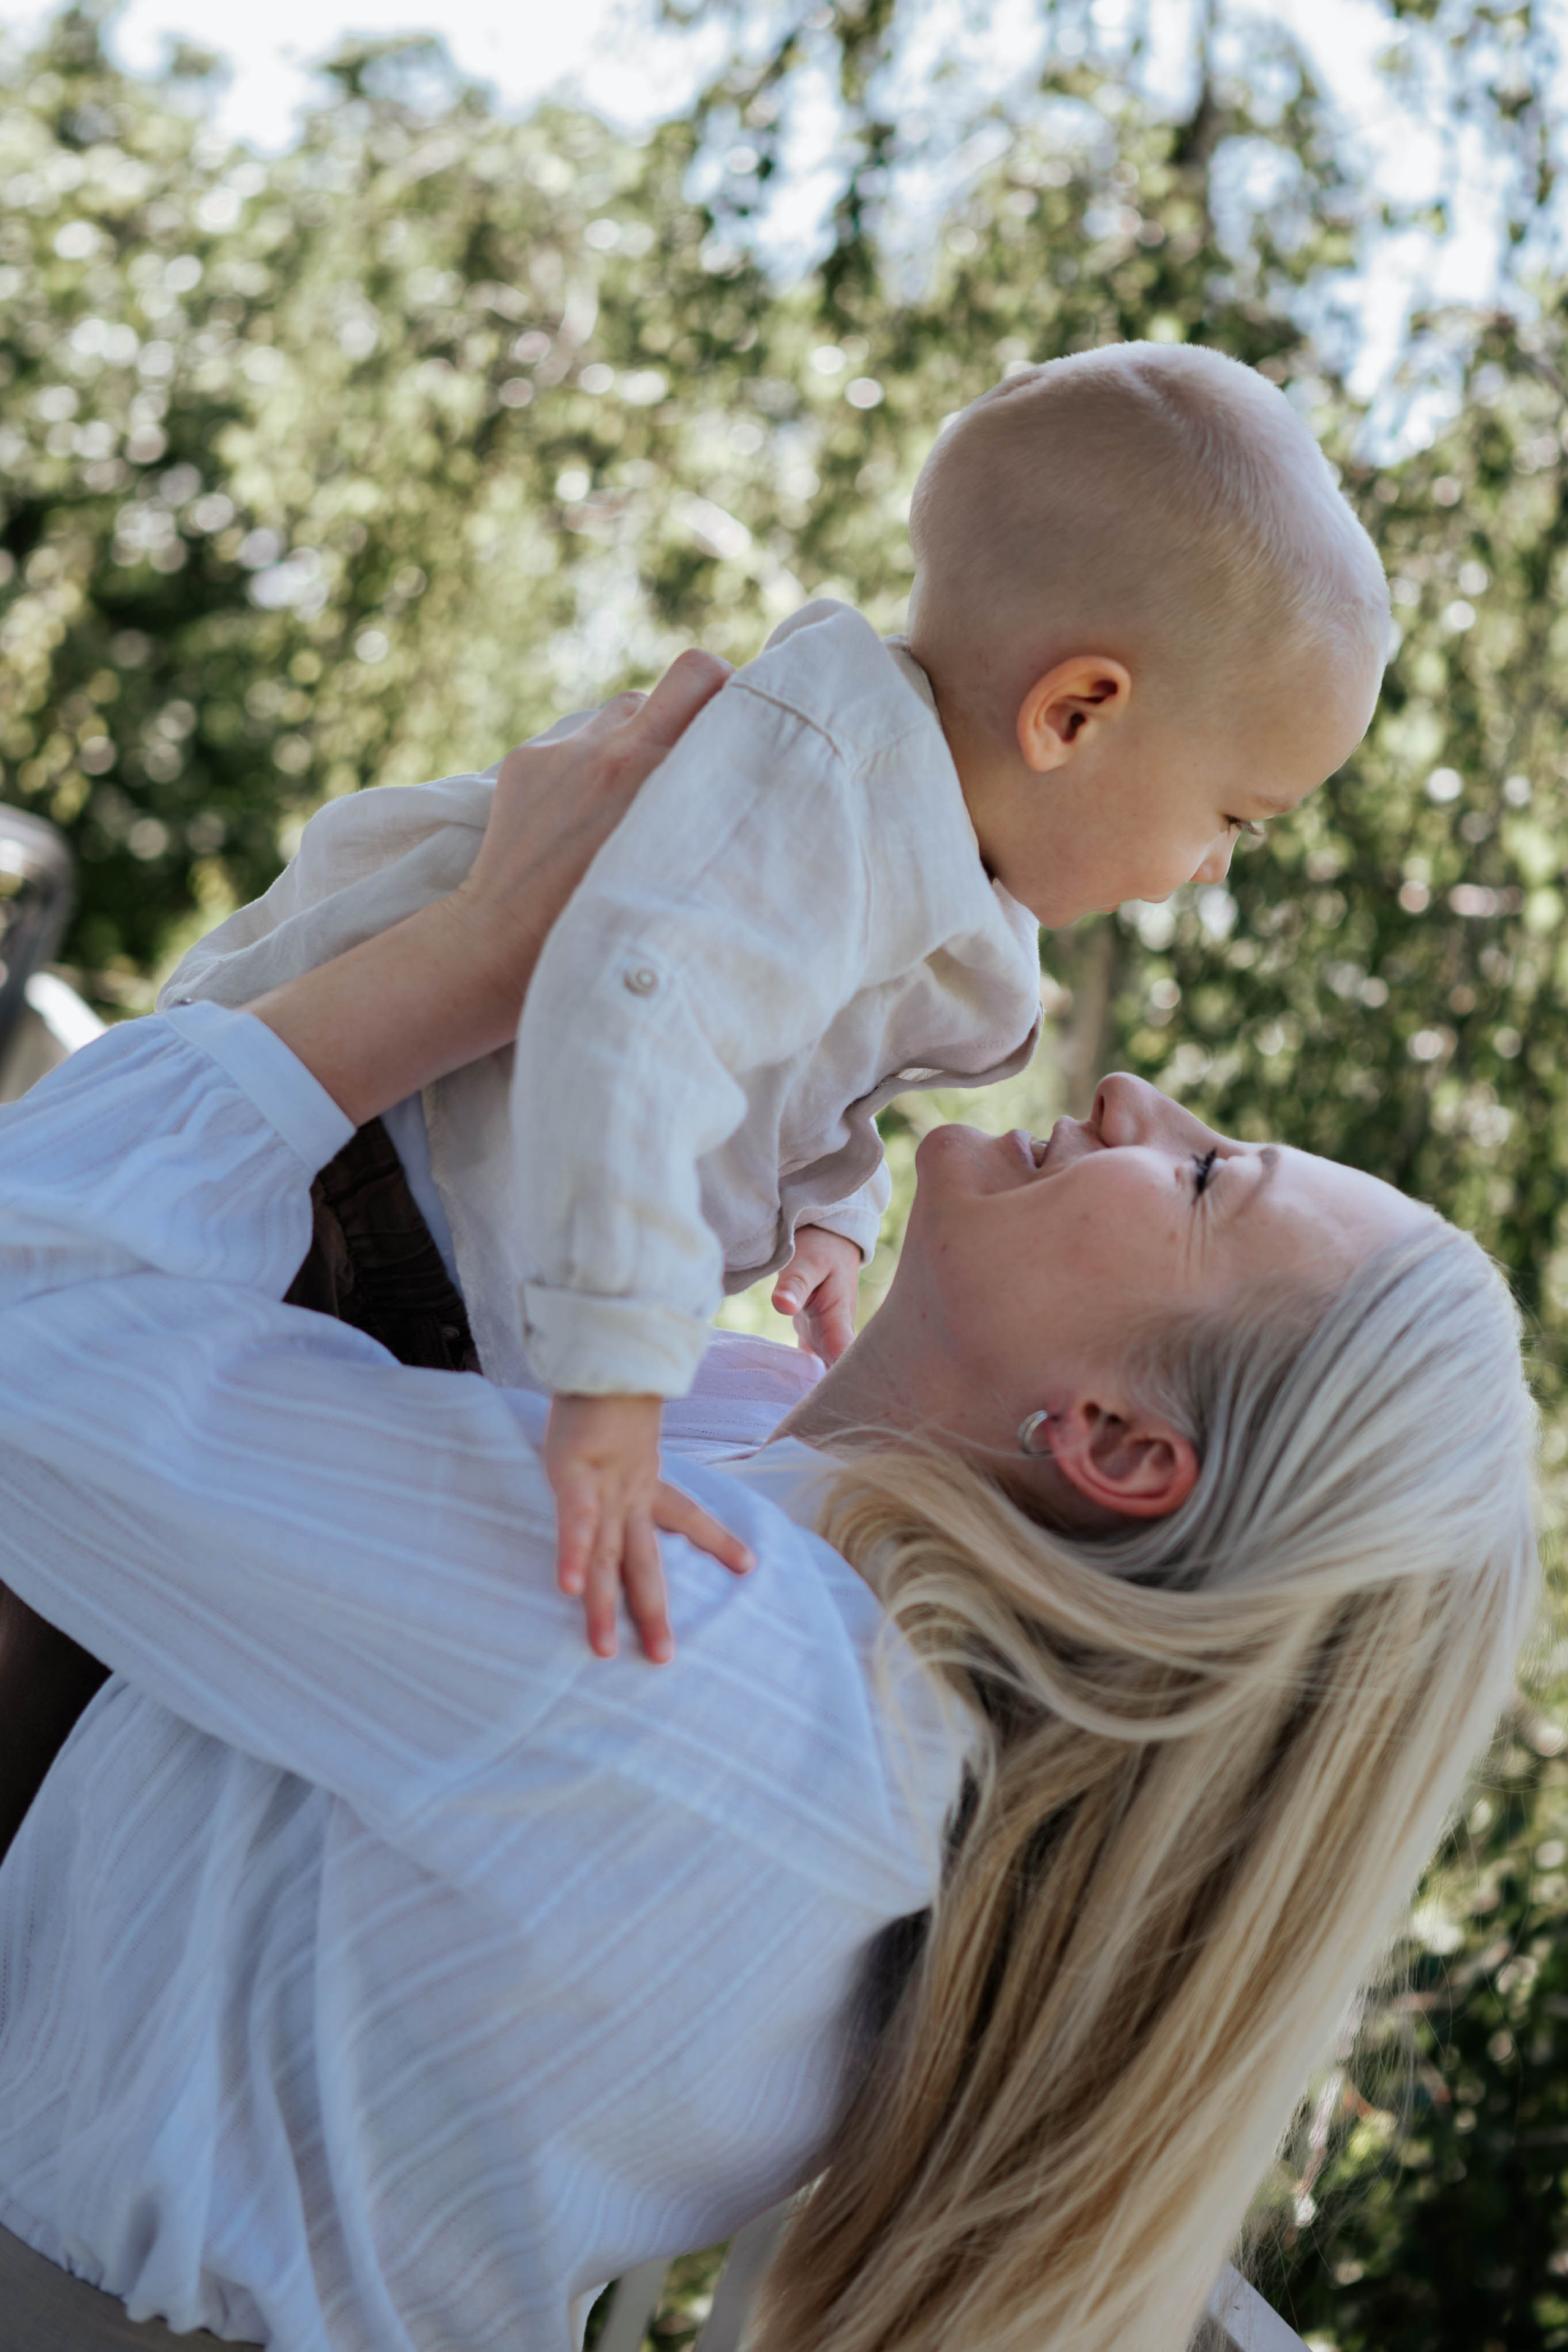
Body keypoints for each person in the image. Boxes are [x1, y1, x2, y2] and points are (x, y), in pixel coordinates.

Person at [0, 682, 1537, 2352]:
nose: (1135, 1102)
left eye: (1200, 1179)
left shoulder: (695, 1642)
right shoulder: (776, 1499)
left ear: (1115, 1443)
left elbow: (28, 1321)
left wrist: (481, 949)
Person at [160, 342, 1392, 1655]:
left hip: (423, 1218)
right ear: (1075, 715)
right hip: (365, 1177)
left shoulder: (933, 846)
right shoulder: (825, 784)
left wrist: (827, 1208)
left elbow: (800, 1044)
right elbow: (643, 1012)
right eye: (1230, 820)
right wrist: (619, 1373)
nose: (1207, 867)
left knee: (167, 1583)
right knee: (108, 1543)